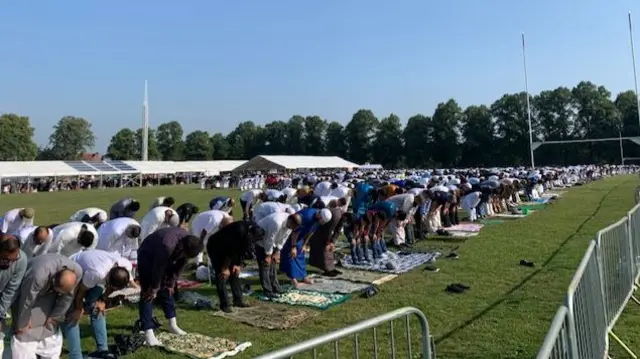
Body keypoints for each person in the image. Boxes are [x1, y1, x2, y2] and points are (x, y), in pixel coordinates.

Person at [136, 227, 203, 346]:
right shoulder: (168, 245)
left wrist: (171, 283)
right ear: (183, 248)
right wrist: (154, 288)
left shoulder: (190, 243)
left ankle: (173, 324)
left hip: (166, 256)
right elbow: (158, 268)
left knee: (168, 289)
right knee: (148, 292)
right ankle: (148, 332)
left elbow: (180, 265)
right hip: (148, 254)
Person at [64, 249, 136, 359]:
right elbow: (80, 294)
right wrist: (79, 309)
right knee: (73, 315)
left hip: (93, 272)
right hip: (74, 270)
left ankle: (103, 351)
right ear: (108, 278)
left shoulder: (126, 266)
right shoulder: (97, 273)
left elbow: (113, 288)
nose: (111, 289)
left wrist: (102, 300)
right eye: (110, 286)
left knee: (97, 308)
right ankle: (76, 356)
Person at [10, 253, 83, 359]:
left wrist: (54, 318)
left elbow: (67, 299)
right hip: (27, 287)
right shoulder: (37, 275)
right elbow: (27, 300)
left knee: (47, 326)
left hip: (49, 290)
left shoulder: (77, 273)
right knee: (24, 330)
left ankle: (46, 352)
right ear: (53, 282)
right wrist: (24, 321)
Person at [207, 221, 263, 312]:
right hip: (216, 247)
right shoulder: (238, 231)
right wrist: (225, 268)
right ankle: (224, 304)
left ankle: (238, 300)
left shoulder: (252, 230)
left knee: (234, 273)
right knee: (222, 275)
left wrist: (238, 265)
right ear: (250, 233)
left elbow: (242, 249)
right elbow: (230, 251)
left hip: (231, 250)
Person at [280, 208, 332, 287]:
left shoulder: (318, 220)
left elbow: (311, 231)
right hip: (290, 235)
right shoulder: (307, 216)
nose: (322, 223)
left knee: (300, 255)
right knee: (291, 256)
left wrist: (305, 244)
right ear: (319, 215)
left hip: (300, 238)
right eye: (322, 221)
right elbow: (295, 230)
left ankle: (303, 277)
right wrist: (293, 246)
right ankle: (293, 280)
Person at [255, 213, 300, 298]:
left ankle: (275, 287)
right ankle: (267, 291)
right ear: (290, 221)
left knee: (273, 264)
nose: (293, 229)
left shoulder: (290, 225)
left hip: (272, 242)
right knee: (265, 265)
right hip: (261, 240)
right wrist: (268, 255)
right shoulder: (277, 222)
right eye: (293, 226)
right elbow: (269, 239)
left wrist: (277, 252)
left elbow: (283, 239)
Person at [0, 234, 28, 328]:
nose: (10, 263)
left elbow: (11, 290)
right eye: (5, 259)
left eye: (13, 260)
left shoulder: (21, 260)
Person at [309, 205, 344, 277]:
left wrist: (332, 241)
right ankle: (327, 269)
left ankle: (331, 268)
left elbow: (338, 230)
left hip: (325, 229)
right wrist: (328, 242)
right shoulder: (335, 217)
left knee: (330, 250)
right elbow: (328, 231)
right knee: (324, 250)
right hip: (319, 230)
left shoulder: (341, 217)